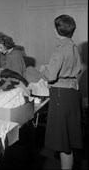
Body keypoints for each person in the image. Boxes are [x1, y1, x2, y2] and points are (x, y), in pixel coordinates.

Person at [39, 14, 83, 169]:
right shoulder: (73, 46)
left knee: (63, 140)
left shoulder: (60, 49)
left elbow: (50, 76)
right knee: (69, 140)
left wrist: (43, 70)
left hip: (61, 95)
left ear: (57, 30)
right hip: (73, 93)